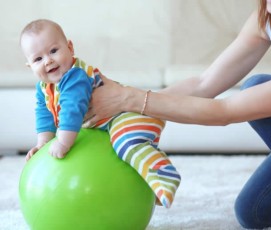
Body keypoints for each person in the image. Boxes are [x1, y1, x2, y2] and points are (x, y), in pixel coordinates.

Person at [83, 0, 271, 228]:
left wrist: (128, 97)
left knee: (255, 85)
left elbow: (225, 111)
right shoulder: (269, 17)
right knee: (254, 210)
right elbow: (204, 84)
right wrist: (122, 107)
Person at [19, 19, 181, 209]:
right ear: (30, 66)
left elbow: (72, 110)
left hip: (127, 114)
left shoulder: (75, 76)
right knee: (124, 150)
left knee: (126, 144)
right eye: (38, 59)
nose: (48, 61)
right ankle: (146, 183)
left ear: (70, 48)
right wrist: (43, 143)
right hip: (108, 123)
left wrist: (63, 142)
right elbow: (44, 113)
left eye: (54, 51)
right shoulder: (44, 87)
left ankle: (164, 175)